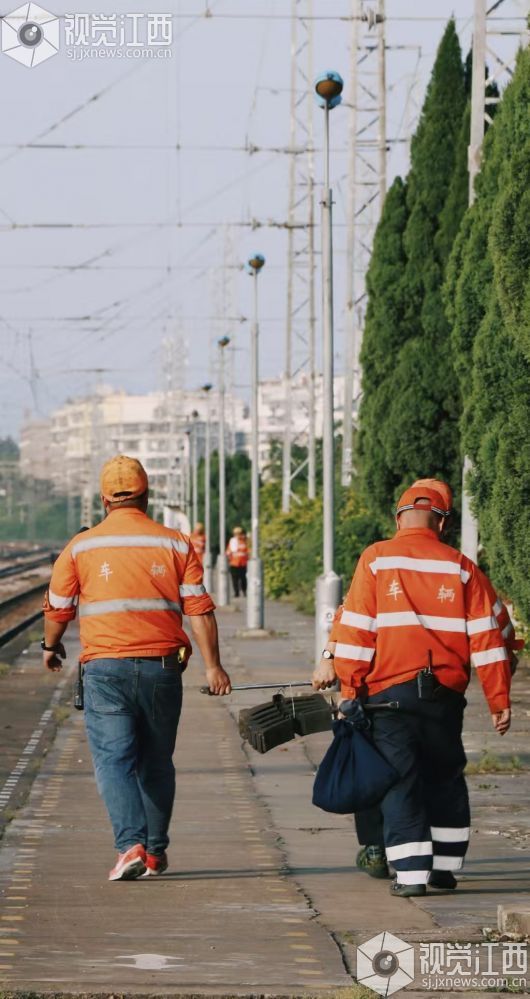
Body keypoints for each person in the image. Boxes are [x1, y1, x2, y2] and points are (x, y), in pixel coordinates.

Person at [314, 478, 523, 883]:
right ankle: (444, 870)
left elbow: (355, 631)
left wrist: (349, 691)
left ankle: (410, 874)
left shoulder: (376, 559)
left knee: (400, 780)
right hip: (445, 697)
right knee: (445, 776)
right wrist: (499, 701)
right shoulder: (463, 568)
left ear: (398, 517)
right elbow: (491, 640)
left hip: (387, 697)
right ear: (442, 523)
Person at [42, 455, 231, 882]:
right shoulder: (177, 543)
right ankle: (156, 851)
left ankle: (131, 846)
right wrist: (213, 667)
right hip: (163, 669)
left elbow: (58, 608)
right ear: (147, 496)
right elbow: (199, 610)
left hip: (105, 670)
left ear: (104, 499)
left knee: (114, 760)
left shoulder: (81, 546)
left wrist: (50, 647)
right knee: (157, 762)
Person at [226, 526, 249, 597]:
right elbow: (228, 551)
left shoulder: (245, 541)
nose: (238, 535)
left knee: (243, 579)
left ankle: (244, 591)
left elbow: (248, 551)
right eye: (236, 534)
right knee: (235, 579)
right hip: (234, 563)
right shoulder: (233, 541)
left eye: (239, 533)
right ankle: (236, 592)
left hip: (243, 563)